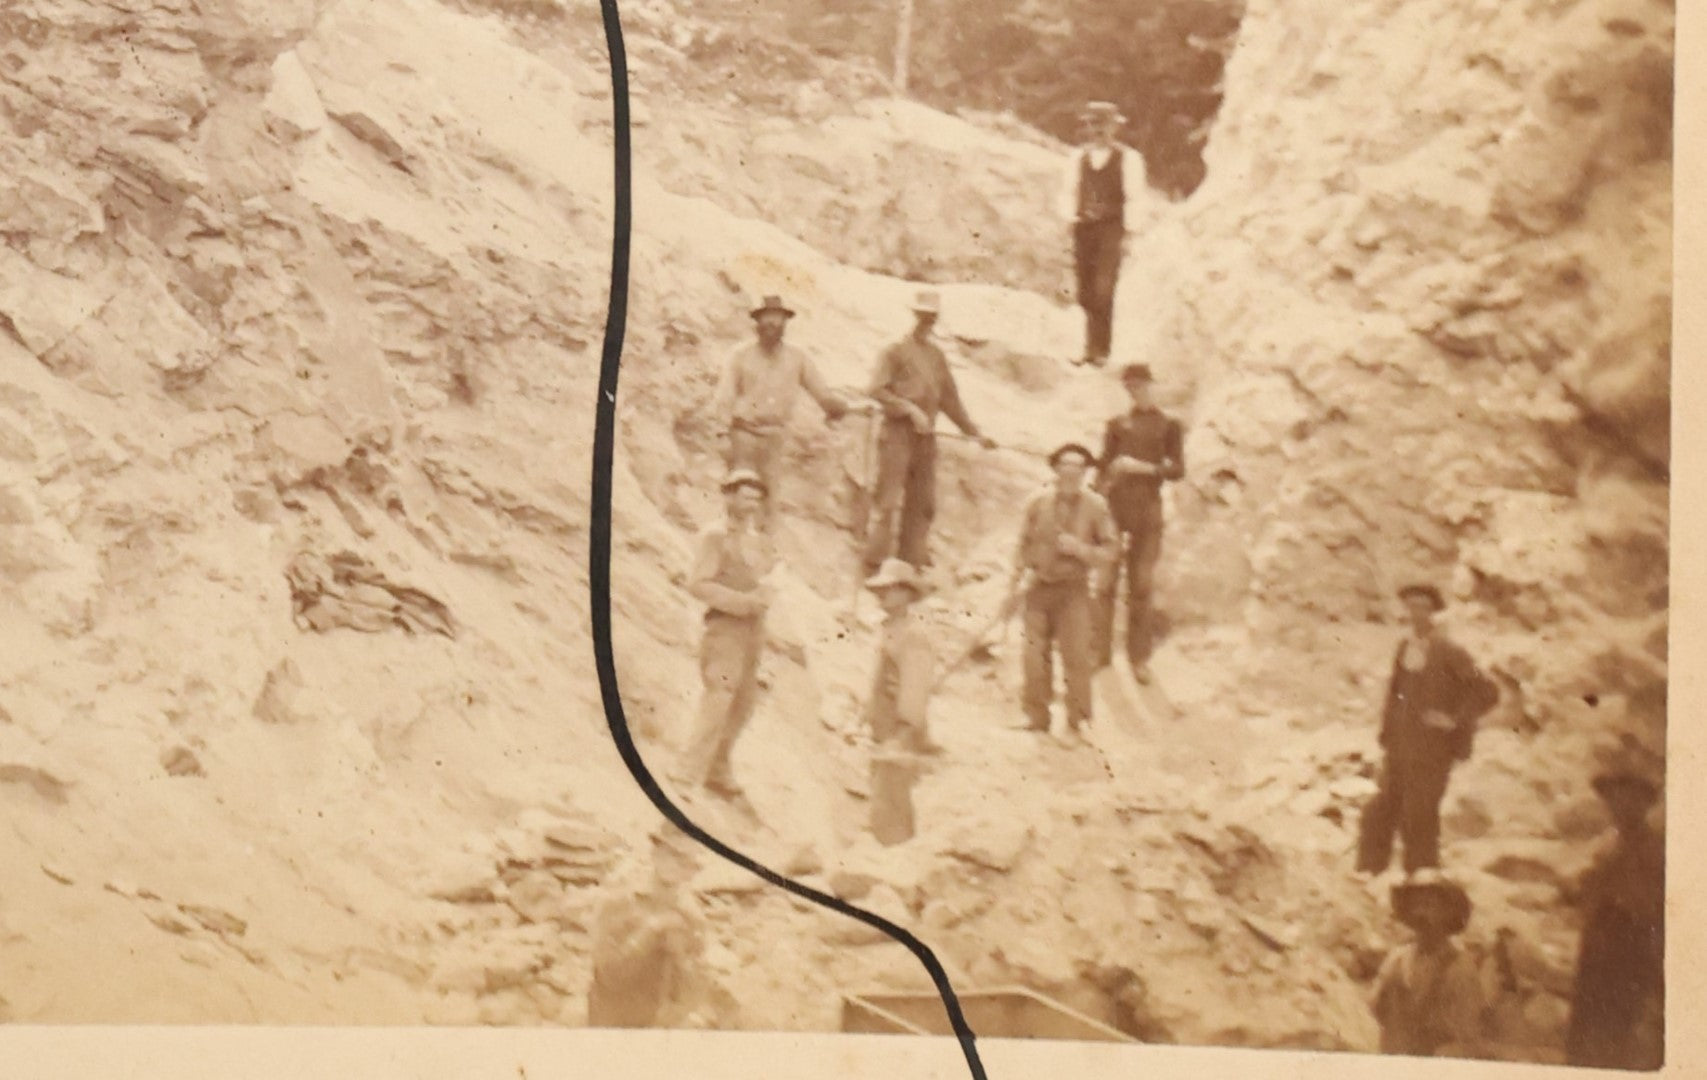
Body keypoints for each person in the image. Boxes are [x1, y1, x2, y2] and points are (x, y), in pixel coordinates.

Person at [1355, 584, 1499, 874]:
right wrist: (1388, 735)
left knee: (1419, 815)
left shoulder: (1449, 651)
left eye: (1422, 607)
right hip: (1400, 748)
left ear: (1434, 611)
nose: (1416, 613)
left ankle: (1422, 881)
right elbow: (1396, 694)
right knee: (1380, 811)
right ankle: (1368, 874)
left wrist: (1454, 720)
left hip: (1434, 750)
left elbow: (1486, 691)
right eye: (1411, 606)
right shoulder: (1404, 648)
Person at [863, 290, 996, 572]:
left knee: (923, 501)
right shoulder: (894, 350)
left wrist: (974, 432)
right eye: (923, 316)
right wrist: (909, 410)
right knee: (887, 498)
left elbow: (949, 399)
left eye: (932, 317)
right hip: (897, 433)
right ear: (914, 315)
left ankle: (910, 562)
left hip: (925, 438)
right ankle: (875, 562)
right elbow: (876, 389)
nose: (927, 322)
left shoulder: (936, 356)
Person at [1564, 734, 1665, 1070]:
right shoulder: (1604, 843)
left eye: (1631, 797)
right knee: (1586, 1023)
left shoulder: (1655, 847)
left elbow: (1655, 903)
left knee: (1622, 1024)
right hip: (1597, 941)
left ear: (1644, 803)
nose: (1621, 805)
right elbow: (1584, 888)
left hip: (1633, 942)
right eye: (1616, 797)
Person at [679, 469, 777, 802]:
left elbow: (764, 578)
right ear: (730, 496)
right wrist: (742, 603)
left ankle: (717, 769)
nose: (752, 503)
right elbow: (698, 584)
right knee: (719, 697)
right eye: (745, 495)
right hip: (724, 629)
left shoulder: (758, 541)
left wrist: (765, 596)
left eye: (756, 497)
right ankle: (686, 772)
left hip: (753, 631)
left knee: (744, 703)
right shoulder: (715, 536)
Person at [1012, 443, 1119, 738]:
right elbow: (1022, 544)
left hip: (1074, 591)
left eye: (1078, 469)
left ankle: (1078, 722)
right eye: (1066, 467)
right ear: (1056, 469)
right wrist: (1016, 580)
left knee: (1075, 658)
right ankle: (1037, 716)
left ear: (1085, 473)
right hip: (1038, 587)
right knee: (1033, 657)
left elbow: (1111, 550)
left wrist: (1082, 549)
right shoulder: (1037, 502)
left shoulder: (1096, 506)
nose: (1071, 474)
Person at [711, 294, 850, 510]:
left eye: (777, 319)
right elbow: (724, 397)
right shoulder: (739, 355)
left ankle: (765, 542)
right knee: (740, 498)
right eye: (766, 319)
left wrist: (840, 408)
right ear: (757, 322)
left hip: (775, 439)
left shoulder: (798, 357)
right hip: (743, 436)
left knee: (770, 499)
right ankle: (734, 541)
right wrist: (721, 433)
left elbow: (822, 393)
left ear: (785, 323)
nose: (771, 324)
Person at [1092, 363, 1184, 682]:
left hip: (1148, 510)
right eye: (1130, 387)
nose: (1136, 391)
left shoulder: (1169, 425)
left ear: (1151, 385)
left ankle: (1139, 658)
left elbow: (1176, 470)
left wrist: (1138, 467)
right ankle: (1099, 652)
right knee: (1104, 583)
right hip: (1116, 510)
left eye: (1141, 385)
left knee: (1141, 586)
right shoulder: (1117, 425)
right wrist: (1104, 478)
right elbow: (1102, 468)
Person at [587, 825, 709, 1028]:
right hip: (610, 1021)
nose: (676, 865)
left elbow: (694, 988)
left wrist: (681, 958)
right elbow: (607, 976)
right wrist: (651, 930)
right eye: (670, 854)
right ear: (655, 853)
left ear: (693, 870)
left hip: (657, 1027)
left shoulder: (692, 916)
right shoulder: (619, 899)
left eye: (686, 861)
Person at [1057, 101, 1146, 367]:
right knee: (1084, 292)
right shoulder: (1077, 159)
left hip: (1111, 229)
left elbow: (1135, 198)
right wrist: (1069, 220)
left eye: (1104, 125)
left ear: (1114, 127)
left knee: (1103, 289)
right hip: (1084, 229)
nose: (1098, 131)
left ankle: (1102, 350)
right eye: (1093, 124)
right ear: (1087, 127)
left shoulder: (1128, 159)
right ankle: (1089, 347)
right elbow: (1068, 192)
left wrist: (1130, 233)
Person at [1372, 870, 1485, 1057]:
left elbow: (1466, 1035)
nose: (1421, 913)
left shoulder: (1460, 969)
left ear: (1449, 914)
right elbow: (1377, 1007)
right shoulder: (1397, 959)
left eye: (1430, 905)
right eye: (1415, 905)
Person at [861, 558, 939, 755]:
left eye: (891, 588)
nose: (882, 593)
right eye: (881, 588)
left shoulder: (914, 636)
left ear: (907, 594)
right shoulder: (885, 628)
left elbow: (914, 691)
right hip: (878, 730)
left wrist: (900, 738)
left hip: (898, 737)